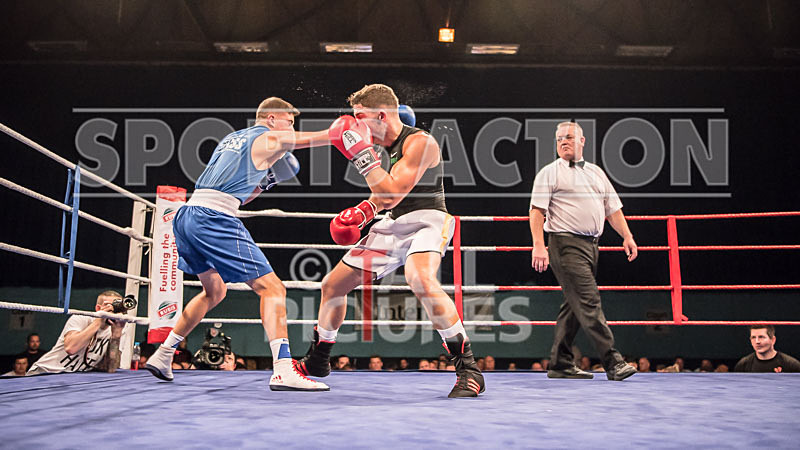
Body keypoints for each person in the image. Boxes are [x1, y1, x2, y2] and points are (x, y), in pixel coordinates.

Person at [295, 85, 484, 397]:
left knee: (419, 277)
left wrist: (362, 156)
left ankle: (469, 368)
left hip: (428, 220)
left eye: (360, 117)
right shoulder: (389, 148)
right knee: (332, 286)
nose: (354, 125)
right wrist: (362, 212)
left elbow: (392, 192)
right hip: (394, 224)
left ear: (380, 115)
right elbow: (385, 197)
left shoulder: (421, 142)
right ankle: (319, 358)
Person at [144, 97, 330, 391]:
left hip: (188, 216)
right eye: (289, 121)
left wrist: (267, 181)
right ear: (271, 118)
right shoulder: (267, 136)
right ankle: (283, 369)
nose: (290, 128)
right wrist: (349, 131)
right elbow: (314, 139)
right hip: (214, 218)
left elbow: (242, 194)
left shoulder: (232, 138)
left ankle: (164, 353)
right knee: (273, 289)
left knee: (214, 291)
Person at [530, 121, 638, 382]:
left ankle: (560, 364)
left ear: (582, 141)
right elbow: (536, 211)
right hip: (565, 244)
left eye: (568, 137)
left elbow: (612, 209)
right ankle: (613, 361)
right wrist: (538, 245)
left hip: (592, 246)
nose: (563, 142)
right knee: (589, 301)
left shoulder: (596, 173)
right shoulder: (550, 173)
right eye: (559, 139)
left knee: (574, 305)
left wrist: (627, 235)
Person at [27, 291, 125, 375]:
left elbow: (111, 368)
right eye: (109, 306)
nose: (113, 310)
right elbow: (71, 348)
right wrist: (98, 320)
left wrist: (116, 334)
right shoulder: (80, 318)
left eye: (116, 307)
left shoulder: (117, 329)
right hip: (46, 372)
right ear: (98, 308)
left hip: (71, 378)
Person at [734, 325, 800, 373]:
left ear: (773, 340)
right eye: (753, 337)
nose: (757, 342)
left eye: (761, 337)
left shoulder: (791, 365)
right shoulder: (743, 364)